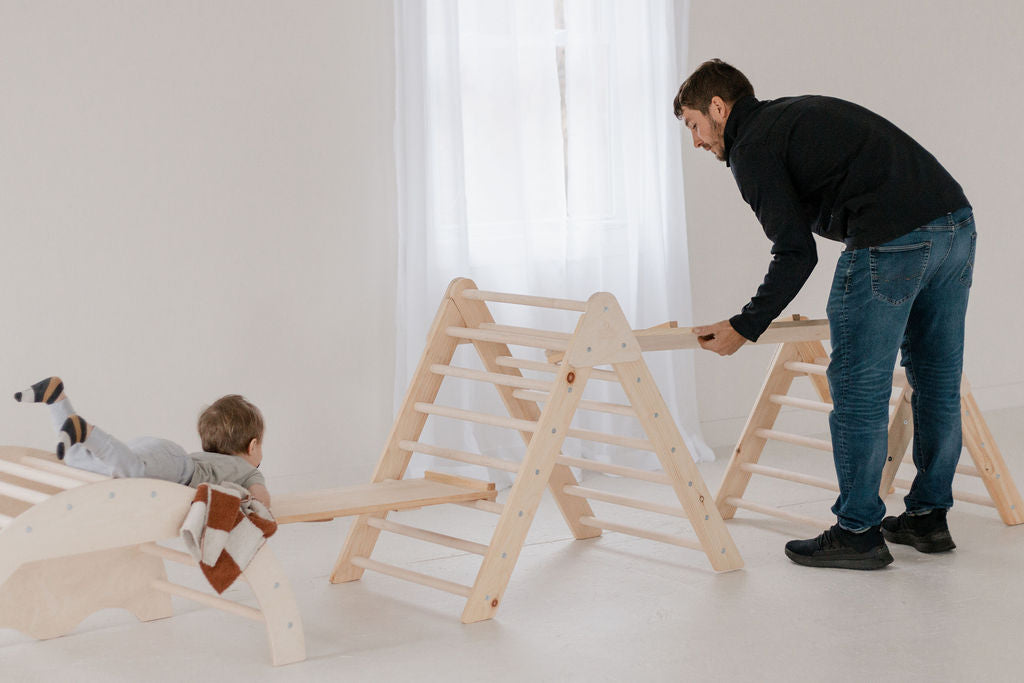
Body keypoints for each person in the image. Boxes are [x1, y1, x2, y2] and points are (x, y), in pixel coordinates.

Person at [675, 59, 973, 569]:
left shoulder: (751, 147)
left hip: (892, 240)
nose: (697, 143)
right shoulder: (790, 117)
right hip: (956, 227)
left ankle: (857, 531)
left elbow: (796, 252)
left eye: (694, 126)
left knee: (860, 388)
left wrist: (744, 326)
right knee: (937, 381)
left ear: (718, 108)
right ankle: (928, 517)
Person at [14, 376, 271, 508]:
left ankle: (56, 398)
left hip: (158, 455)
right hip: (176, 466)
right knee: (134, 471)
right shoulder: (249, 471)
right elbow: (262, 501)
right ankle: (87, 431)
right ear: (252, 445)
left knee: (76, 459)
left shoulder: (214, 460)